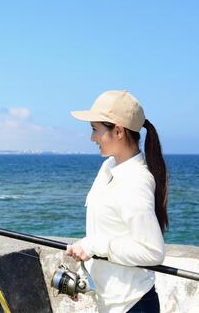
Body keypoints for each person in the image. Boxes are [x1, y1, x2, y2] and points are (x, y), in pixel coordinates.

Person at [66, 90, 167, 312]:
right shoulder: (108, 167)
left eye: (95, 130)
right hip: (109, 303)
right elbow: (106, 232)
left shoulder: (136, 182)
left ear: (118, 131)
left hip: (133, 306)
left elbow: (153, 252)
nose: (92, 138)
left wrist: (93, 246)